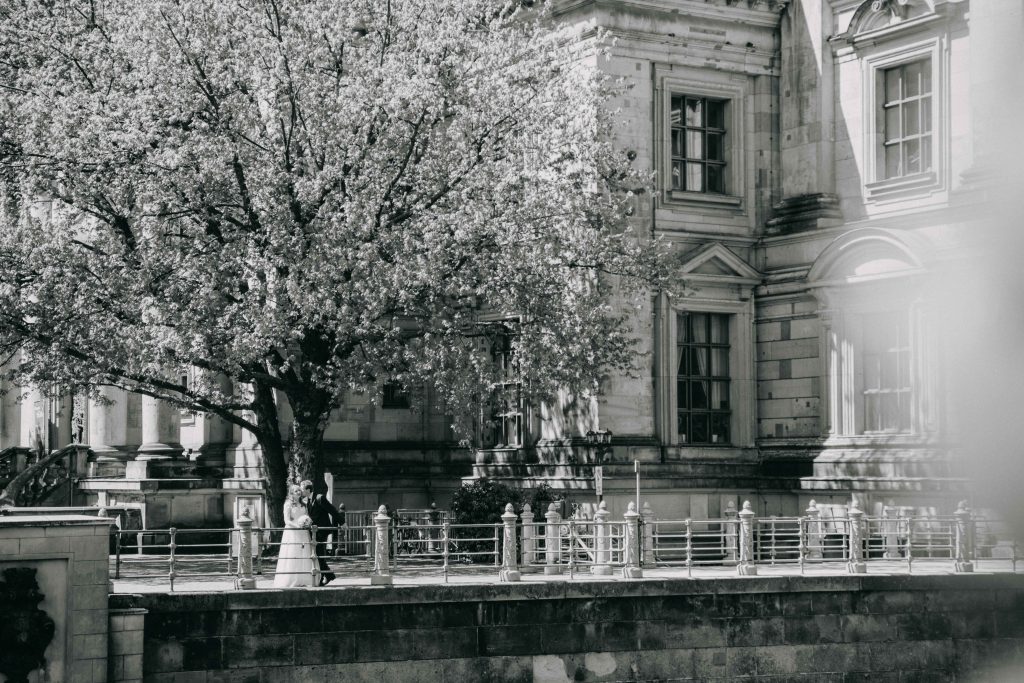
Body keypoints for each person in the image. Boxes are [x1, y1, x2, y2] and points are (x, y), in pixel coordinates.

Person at [273, 484, 318, 588]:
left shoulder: (304, 504)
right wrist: (297, 526)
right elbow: (286, 520)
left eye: (299, 490)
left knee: (304, 553)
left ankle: (305, 579)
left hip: (303, 532)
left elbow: (306, 516)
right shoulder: (288, 504)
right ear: (291, 493)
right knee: (293, 553)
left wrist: (307, 522)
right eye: (296, 491)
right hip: (292, 532)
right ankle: (291, 579)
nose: (299, 492)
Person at [301, 478, 341, 586]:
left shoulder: (319, 498)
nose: (301, 491)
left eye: (302, 489)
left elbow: (332, 510)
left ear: (308, 489)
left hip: (322, 531)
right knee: (316, 554)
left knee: (318, 554)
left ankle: (327, 575)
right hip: (314, 532)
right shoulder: (307, 501)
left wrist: (342, 522)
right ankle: (325, 575)